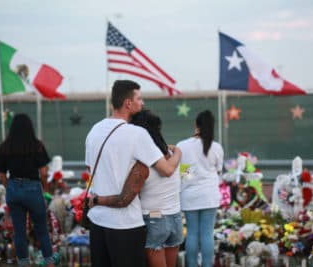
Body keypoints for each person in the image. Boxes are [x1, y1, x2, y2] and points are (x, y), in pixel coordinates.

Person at [85, 80, 181, 267]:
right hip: (125, 225)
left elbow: (90, 171)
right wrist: (179, 151)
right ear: (128, 103)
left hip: (97, 221)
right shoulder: (137, 134)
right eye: (139, 98)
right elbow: (167, 169)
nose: (142, 103)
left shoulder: (94, 130)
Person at [0, 114, 55, 267]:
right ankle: (49, 263)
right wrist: (45, 190)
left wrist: (10, 187)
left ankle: (24, 264)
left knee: (19, 232)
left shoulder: (5, 146)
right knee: (42, 231)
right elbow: (44, 172)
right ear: (30, 127)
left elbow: (1, 174)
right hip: (33, 189)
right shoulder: (37, 145)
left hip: (14, 188)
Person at [130, 110, 183, 267]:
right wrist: (179, 151)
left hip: (154, 218)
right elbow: (186, 177)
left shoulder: (143, 159)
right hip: (176, 217)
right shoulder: (174, 153)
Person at [176, 110, 224, 267]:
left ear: (195, 125)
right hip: (209, 195)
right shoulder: (216, 147)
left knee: (192, 234)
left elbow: (185, 175)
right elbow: (218, 171)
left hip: (189, 196)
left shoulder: (183, 146)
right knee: (207, 234)